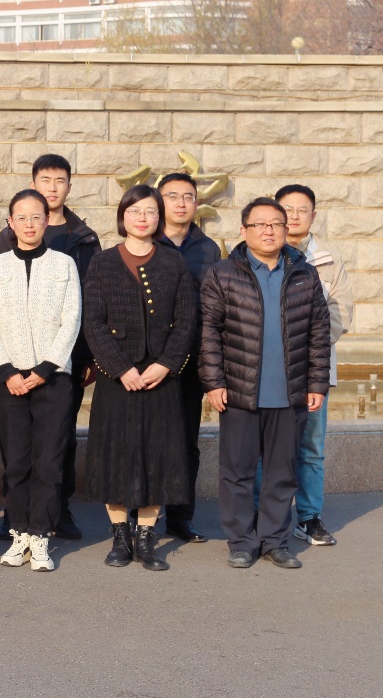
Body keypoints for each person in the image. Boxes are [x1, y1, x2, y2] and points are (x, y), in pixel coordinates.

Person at [201, 197, 331, 570]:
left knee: (281, 472)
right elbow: (209, 332)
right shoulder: (223, 273)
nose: (269, 231)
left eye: (276, 223)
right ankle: (242, 541)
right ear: (244, 231)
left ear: (286, 229)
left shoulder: (304, 274)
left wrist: (317, 383)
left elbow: (319, 333)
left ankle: (275, 541)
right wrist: (214, 382)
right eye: (260, 224)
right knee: (238, 472)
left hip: (290, 393)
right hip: (239, 392)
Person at [82, 185, 197, 571]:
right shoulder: (102, 263)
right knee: (114, 453)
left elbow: (186, 319)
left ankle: (146, 537)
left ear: (159, 217)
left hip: (161, 377)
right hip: (118, 377)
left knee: (159, 455)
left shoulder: (173, 262)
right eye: (135, 211)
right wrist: (120, 368)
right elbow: (93, 322)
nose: (143, 218)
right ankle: (120, 536)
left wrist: (166, 364)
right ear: (123, 217)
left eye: (150, 211)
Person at [0, 154, 100, 541]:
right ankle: (16, 518)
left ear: (69, 185)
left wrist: (78, 358)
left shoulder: (82, 239)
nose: (52, 187)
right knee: (17, 453)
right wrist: (7, 369)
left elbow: (82, 306)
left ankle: (55, 515)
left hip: (62, 362)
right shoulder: (3, 249)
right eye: (45, 180)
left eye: (59, 180)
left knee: (58, 446)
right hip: (12, 368)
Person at [0, 190, 81, 573]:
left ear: (47, 221)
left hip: (53, 380)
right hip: (9, 381)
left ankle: (40, 535)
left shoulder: (64, 264)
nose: (29, 224)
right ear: (10, 222)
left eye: (36, 217)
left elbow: (71, 319)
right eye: (21, 217)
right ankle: (19, 532)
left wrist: (44, 369)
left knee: (49, 461)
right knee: (16, 461)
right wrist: (8, 371)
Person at [276, 184, 352, 548]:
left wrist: (308, 349)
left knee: (310, 447)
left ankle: (308, 517)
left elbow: (340, 313)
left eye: (301, 210)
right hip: (269, 367)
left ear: (313, 215)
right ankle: (265, 515)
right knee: (266, 446)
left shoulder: (329, 260)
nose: (294, 216)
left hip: (313, 369)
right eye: (287, 209)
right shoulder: (261, 252)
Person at [155, 172, 222, 544]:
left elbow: (214, 308)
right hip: (149, 359)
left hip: (191, 359)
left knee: (185, 442)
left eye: (188, 196)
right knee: (146, 439)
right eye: (173, 195)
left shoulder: (208, 249)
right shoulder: (145, 241)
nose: (181, 203)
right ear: (159, 200)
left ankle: (180, 517)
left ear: (197, 203)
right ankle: (138, 515)